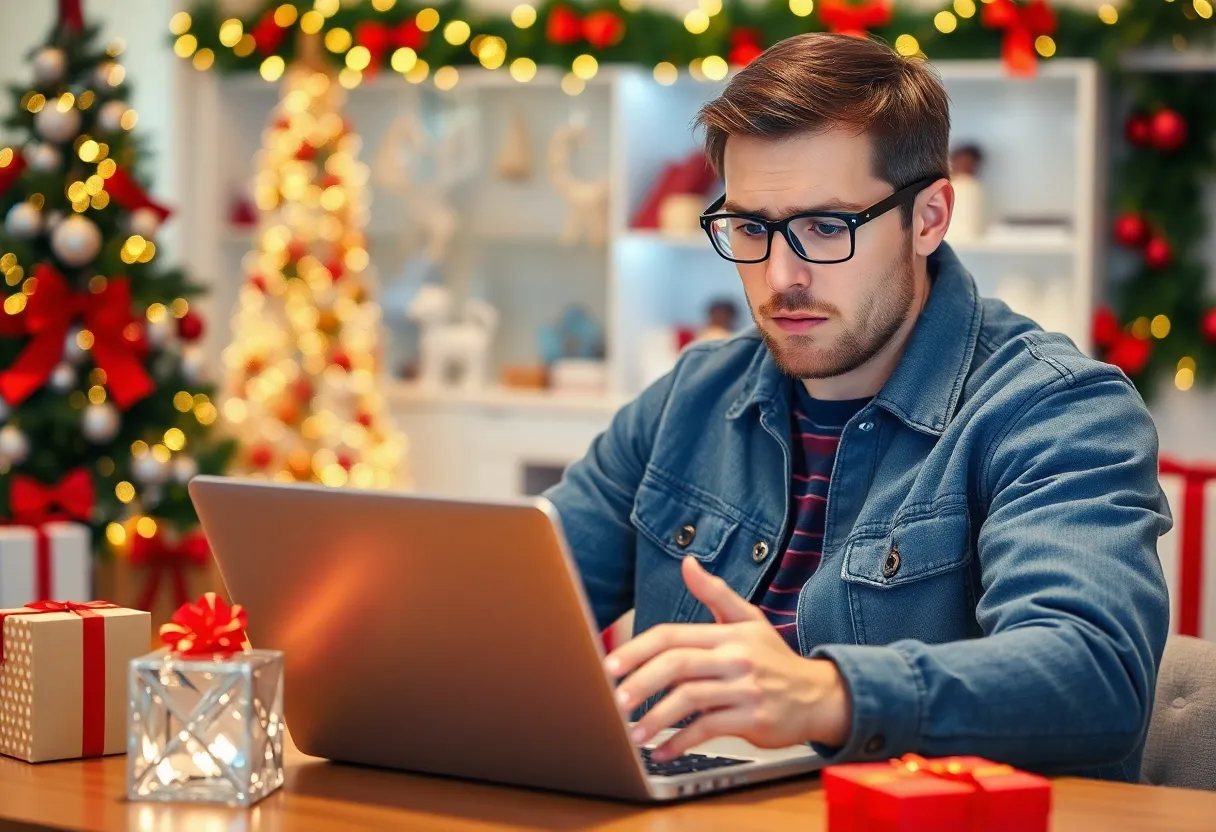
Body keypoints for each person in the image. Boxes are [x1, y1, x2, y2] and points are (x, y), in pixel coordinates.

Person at [542, 32, 1170, 782]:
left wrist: (829, 695)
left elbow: (1093, 677)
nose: (781, 277)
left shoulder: (1055, 408)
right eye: (750, 228)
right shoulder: (692, 396)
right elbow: (517, 594)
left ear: (930, 216)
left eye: (825, 227)